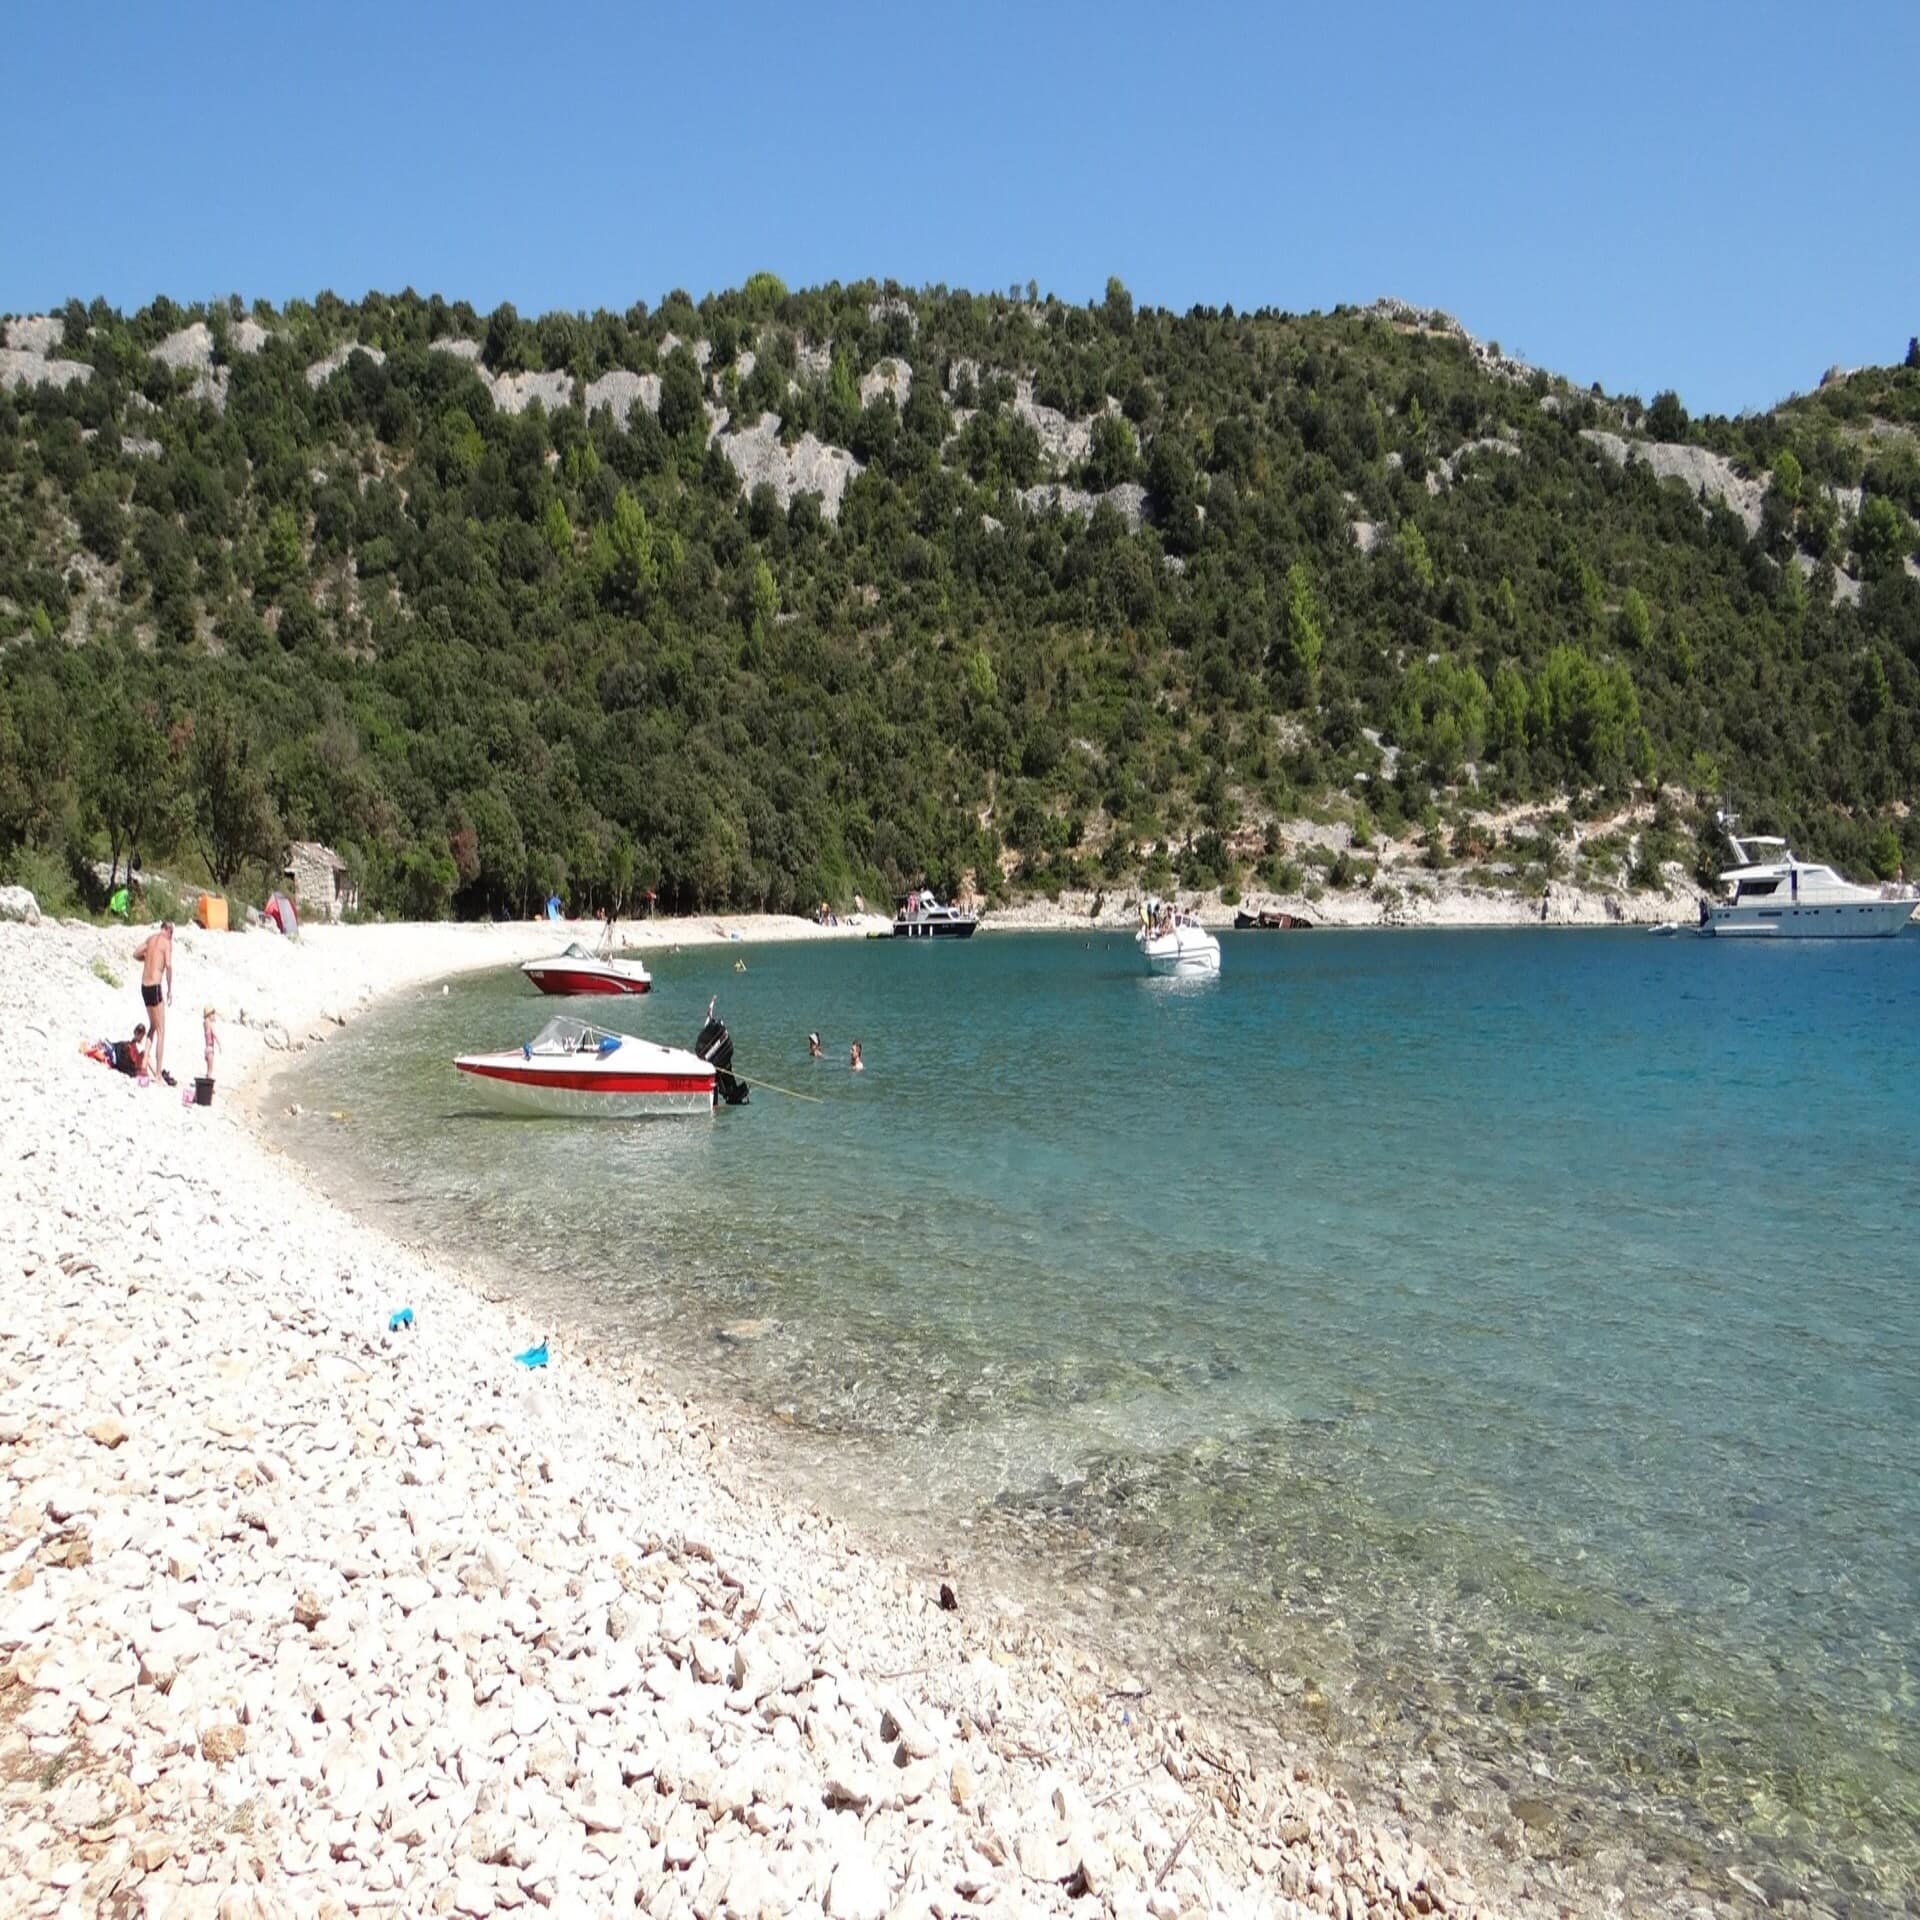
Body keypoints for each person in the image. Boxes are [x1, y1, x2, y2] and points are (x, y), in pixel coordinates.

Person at [132, 922, 175, 1086]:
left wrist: (148, 959)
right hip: (156, 987)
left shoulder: (150, 939)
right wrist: (170, 988)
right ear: (169, 931)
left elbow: (136, 954)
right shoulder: (166, 943)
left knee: (153, 1026)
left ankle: (144, 1064)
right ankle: (157, 1074)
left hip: (144, 986)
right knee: (161, 1030)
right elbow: (169, 965)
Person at [202, 1006, 218, 1082]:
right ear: (210, 1014)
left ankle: (206, 1083)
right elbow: (214, 1034)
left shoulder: (205, 1023)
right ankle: (208, 1086)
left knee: (208, 1069)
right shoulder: (210, 1024)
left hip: (206, 1049)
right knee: (210, 1070)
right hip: (210, 1049)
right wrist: (220, 1044)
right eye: (213, 1014)